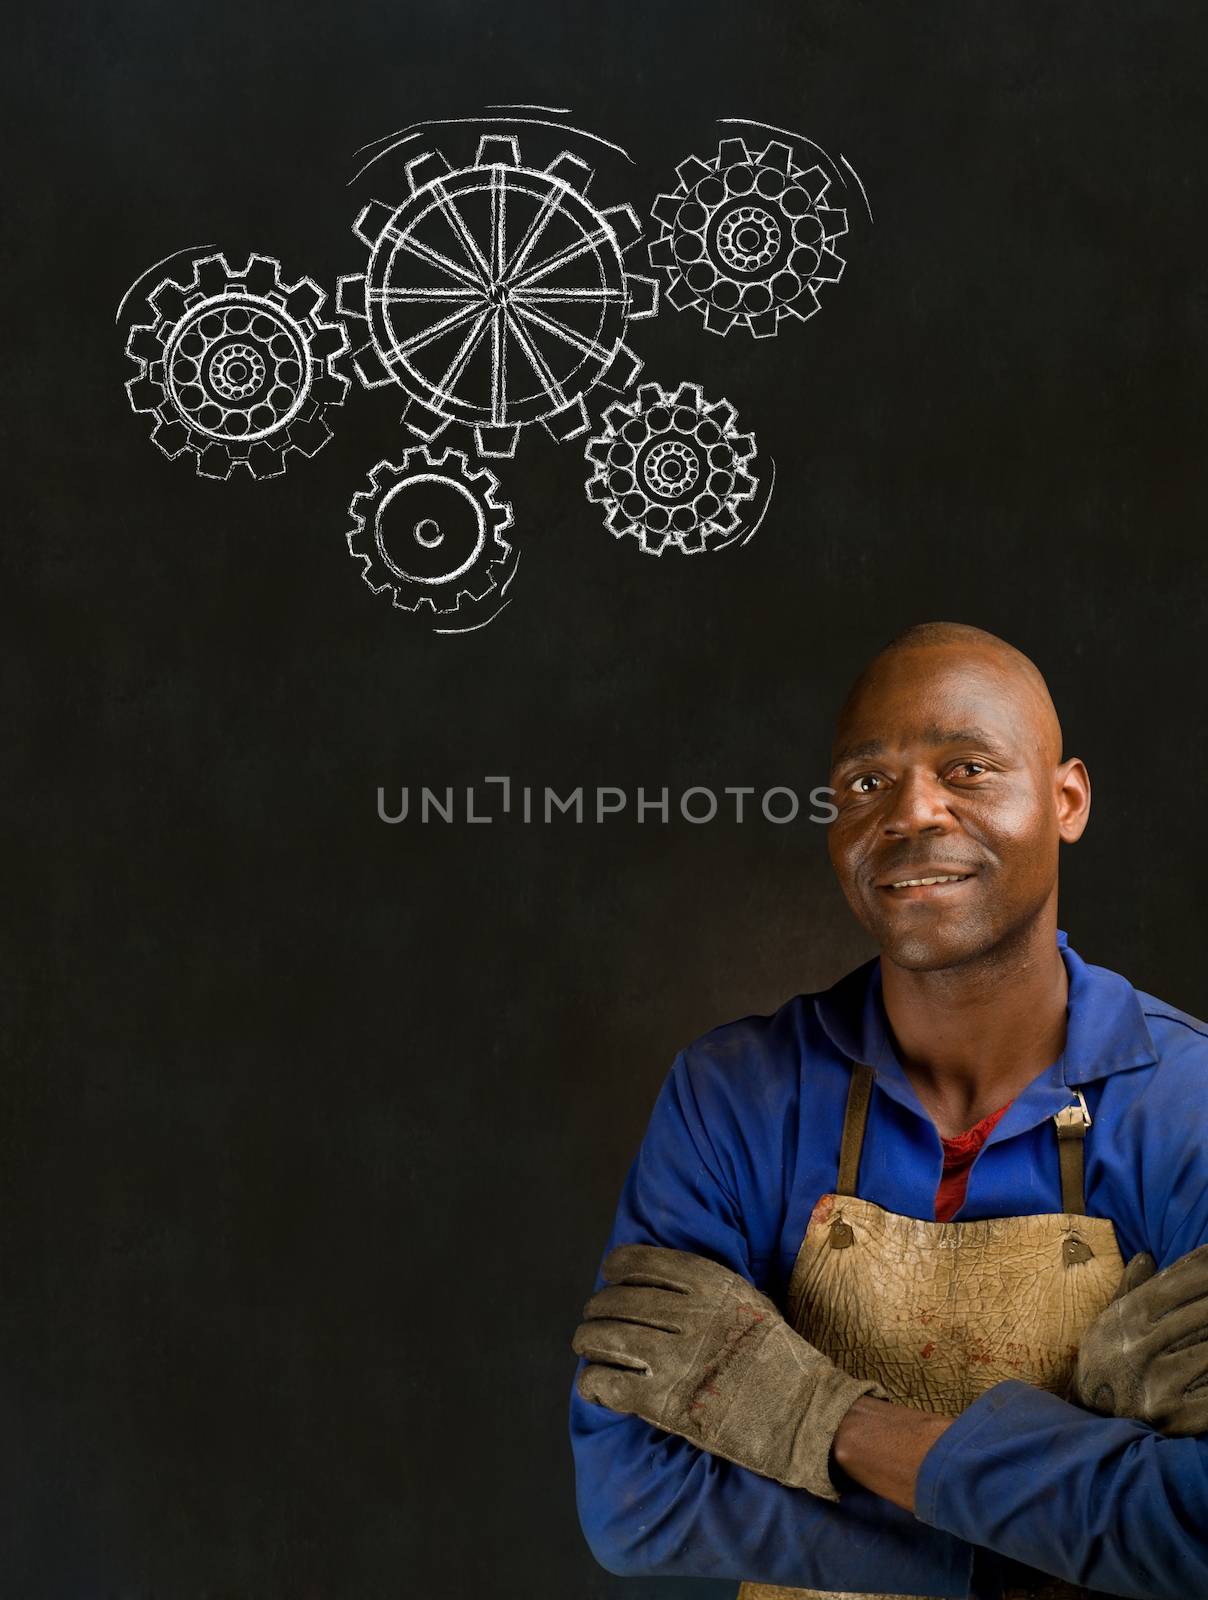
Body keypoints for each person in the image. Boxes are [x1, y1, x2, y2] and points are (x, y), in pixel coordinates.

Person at [568, 622, 1208, 1600]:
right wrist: (1085, 1531)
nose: (910, 811)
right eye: (865, 783)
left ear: (1065, 798)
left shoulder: (1186, 1103)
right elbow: (630, 1498)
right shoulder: (732, 1096)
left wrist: (818, 1417)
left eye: (966, 767)